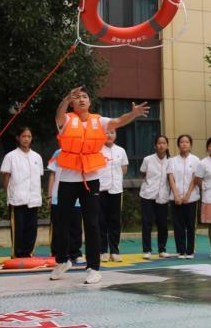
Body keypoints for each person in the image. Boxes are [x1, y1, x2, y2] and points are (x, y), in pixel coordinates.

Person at [50, 87, 148, 285]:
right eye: (77, 98)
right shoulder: (66, 120)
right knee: (61, 222)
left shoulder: (99, 121)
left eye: (85, 97)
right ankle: (62, 261)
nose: (82, 99)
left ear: (89, 102)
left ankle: (93, 268)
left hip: (92, 179)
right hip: (68, 179)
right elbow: (59, 115)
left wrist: (134, 114)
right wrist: (66, 98)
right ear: (72, 103)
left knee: (92, 224)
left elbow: (118, 121)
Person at [0, 126, 44, 258]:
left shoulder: (37, 157)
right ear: (18, 138)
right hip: (17, 199)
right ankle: (17, 255)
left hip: (33, 199)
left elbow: (39, 177)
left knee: (31, 228)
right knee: (18, 229)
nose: (26, 139)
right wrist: (9, 194)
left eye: (29, 136)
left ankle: (28, 254)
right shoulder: (11, 156)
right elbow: (6, 177)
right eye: (24, 136)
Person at [97, 128, 129, 262]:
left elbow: (124, 169)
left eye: (112, 132)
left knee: (115, 221)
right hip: (101, 189)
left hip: (116, 190)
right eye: (106, 132)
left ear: (115, 135)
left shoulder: (121, 151)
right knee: (101, 221)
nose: (109, 135)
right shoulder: (97, 150)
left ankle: (114, 251)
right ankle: (103, 251)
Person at [139, 135, 172, 259]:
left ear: (167, 145)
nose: (161, 145)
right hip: (148, 194)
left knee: (162, 224)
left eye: (164, 143)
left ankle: (162, 249)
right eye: (159, 143)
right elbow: (143, 173)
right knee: (147, 223)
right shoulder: (148, 159)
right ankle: (147, 250)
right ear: (155, 146)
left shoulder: (171, 161)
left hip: (163, 195)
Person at [167, 134, 201, 259]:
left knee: (191, 225)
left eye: (187, 142)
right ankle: (181, 250)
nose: (184, 144)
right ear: (178, 145)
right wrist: (176, 194)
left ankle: (190, 251)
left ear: (190, 144)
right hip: (175, 198)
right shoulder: (172, 160)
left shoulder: (196, 160)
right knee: (178, 225)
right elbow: (171, 177)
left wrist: (187, 195)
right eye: (182, 142)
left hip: (191, 198)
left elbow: (195, 178)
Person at [48, 149, 83, 265]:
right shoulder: (58, 153)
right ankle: (57, 253)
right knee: (59, 226)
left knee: (76, 227)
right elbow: (52, 174)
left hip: (77, 198)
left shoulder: (82, 151)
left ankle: (75, 253)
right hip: (58, 197)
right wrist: (50, 195)